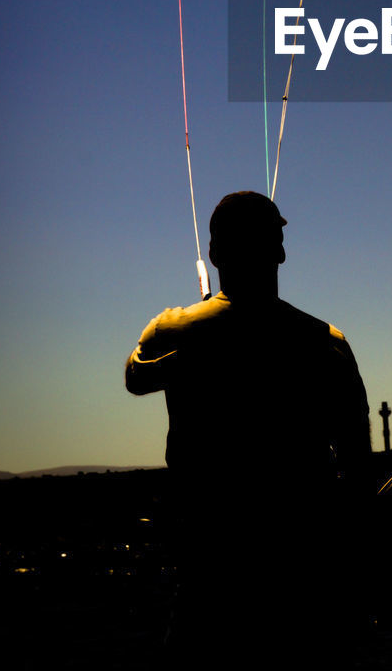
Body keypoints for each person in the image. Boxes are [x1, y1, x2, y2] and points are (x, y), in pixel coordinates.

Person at [126, 191, 372, 664]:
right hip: (305, 580)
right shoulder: (328, 344)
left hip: (209, 576)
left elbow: (136, 377)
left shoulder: (172, 329)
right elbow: (357, 468)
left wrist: (199, 344)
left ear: (215, 255)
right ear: (279, 251)